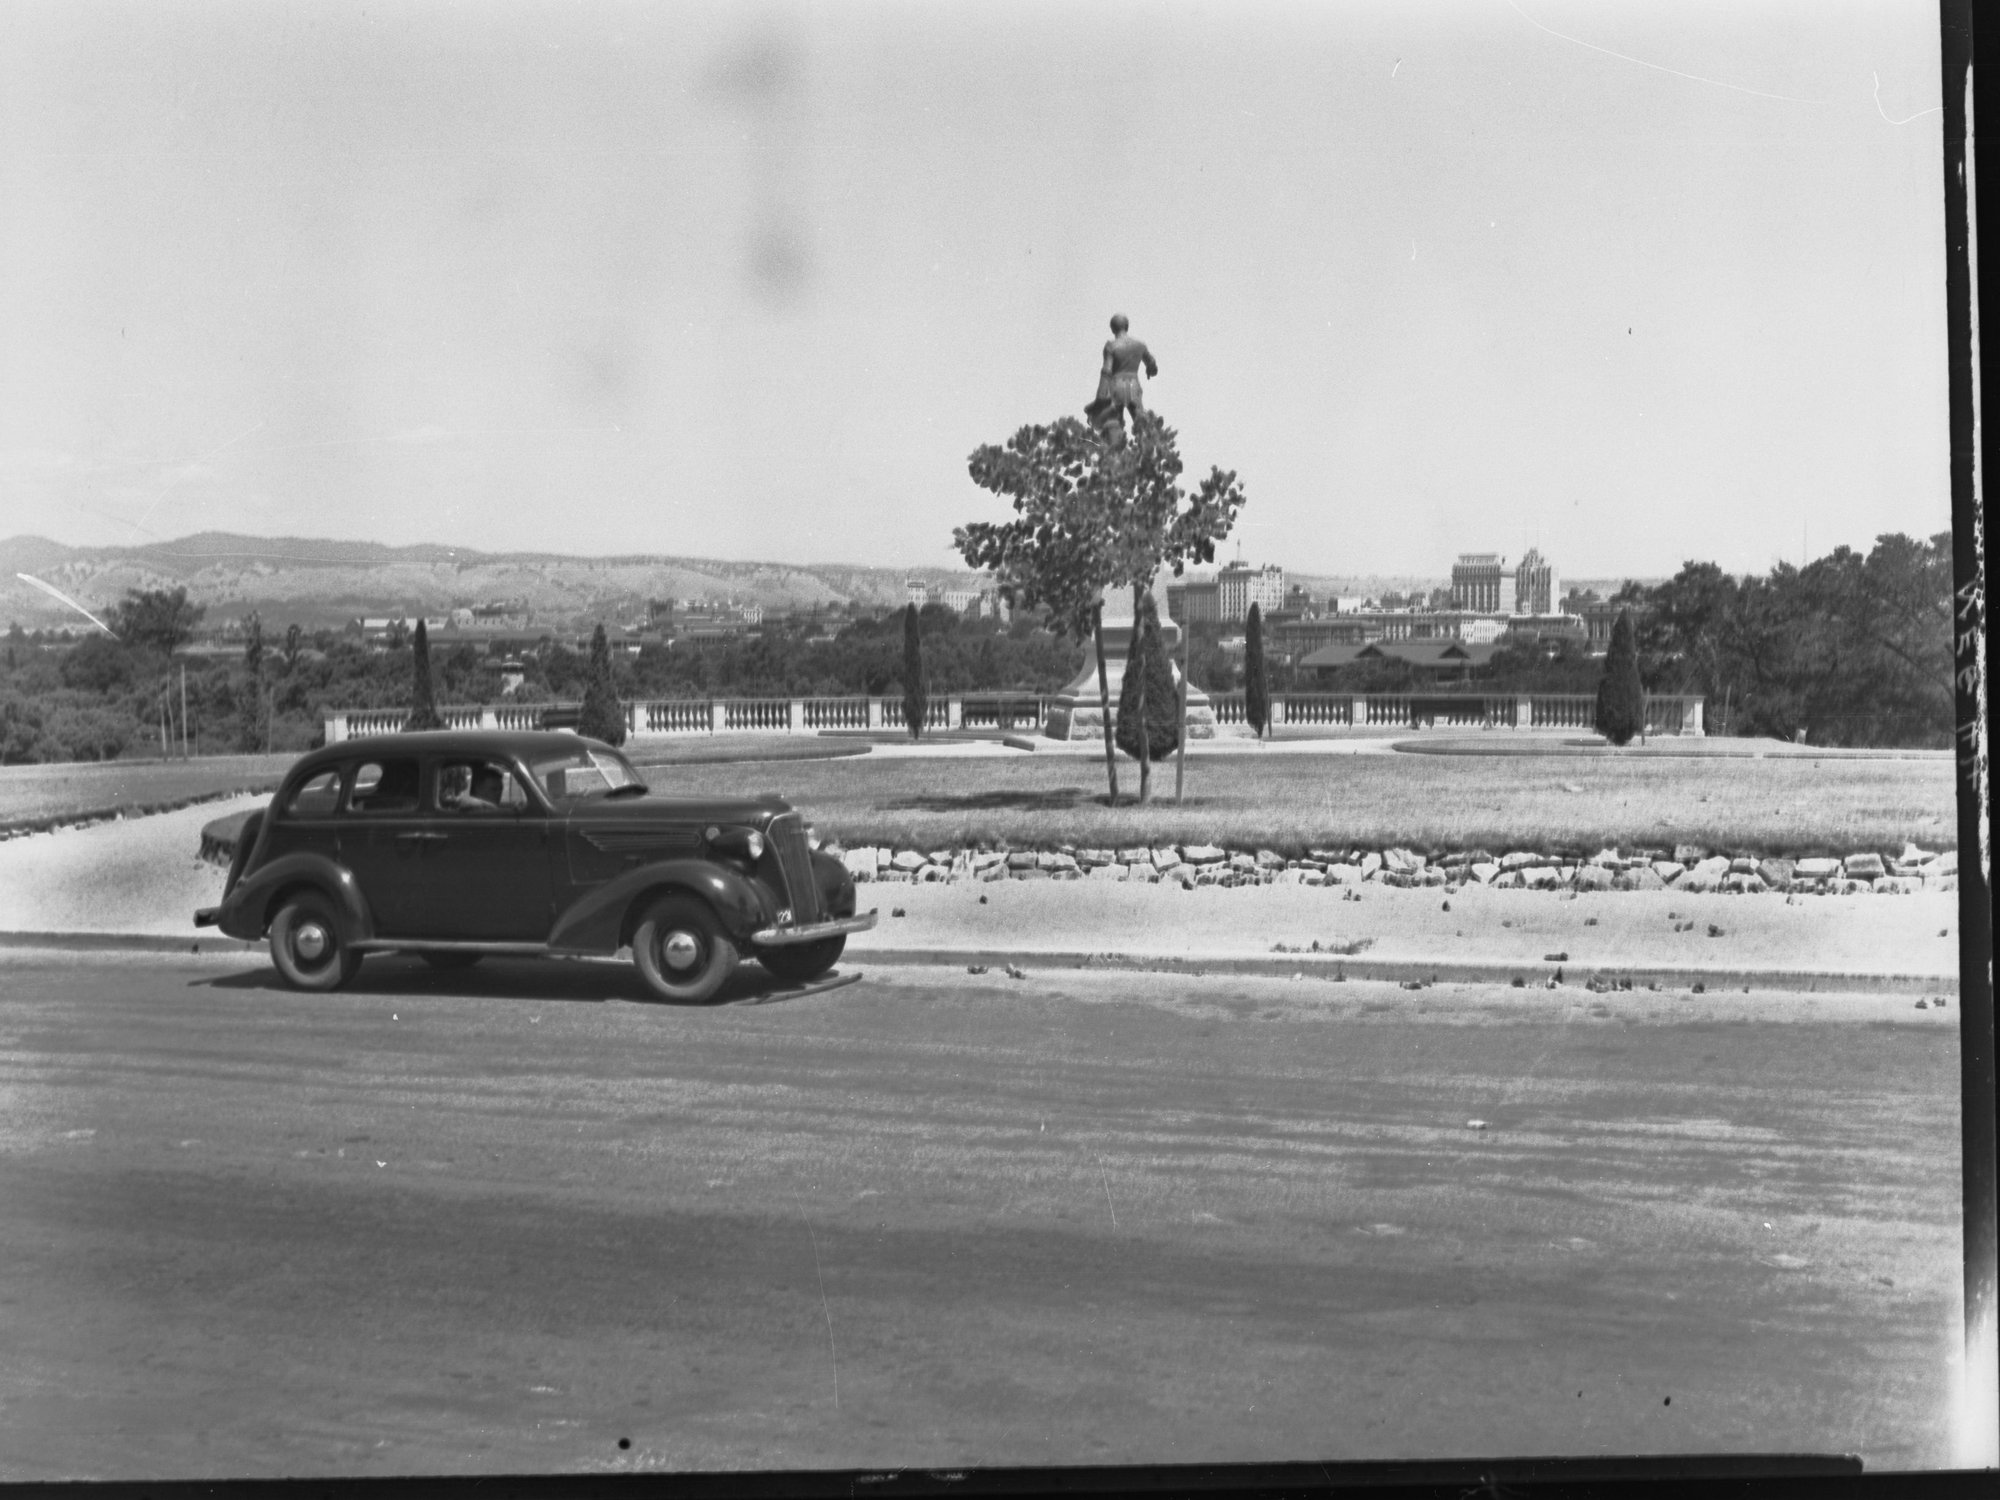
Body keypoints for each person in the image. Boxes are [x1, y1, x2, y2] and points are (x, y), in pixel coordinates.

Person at [1084, 314, 1158, 437]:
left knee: (1115, 424)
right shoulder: (1140, 345)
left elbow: (1106, 371)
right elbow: (1152, 363)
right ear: (1127, 327)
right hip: (1134, 386)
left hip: (1116, 387)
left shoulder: (1111, 346)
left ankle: (1117, 451)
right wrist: (1151, 369)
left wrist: (1100, 396)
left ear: (1112, 329)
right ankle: (1146, 449)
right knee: (1140, 421)